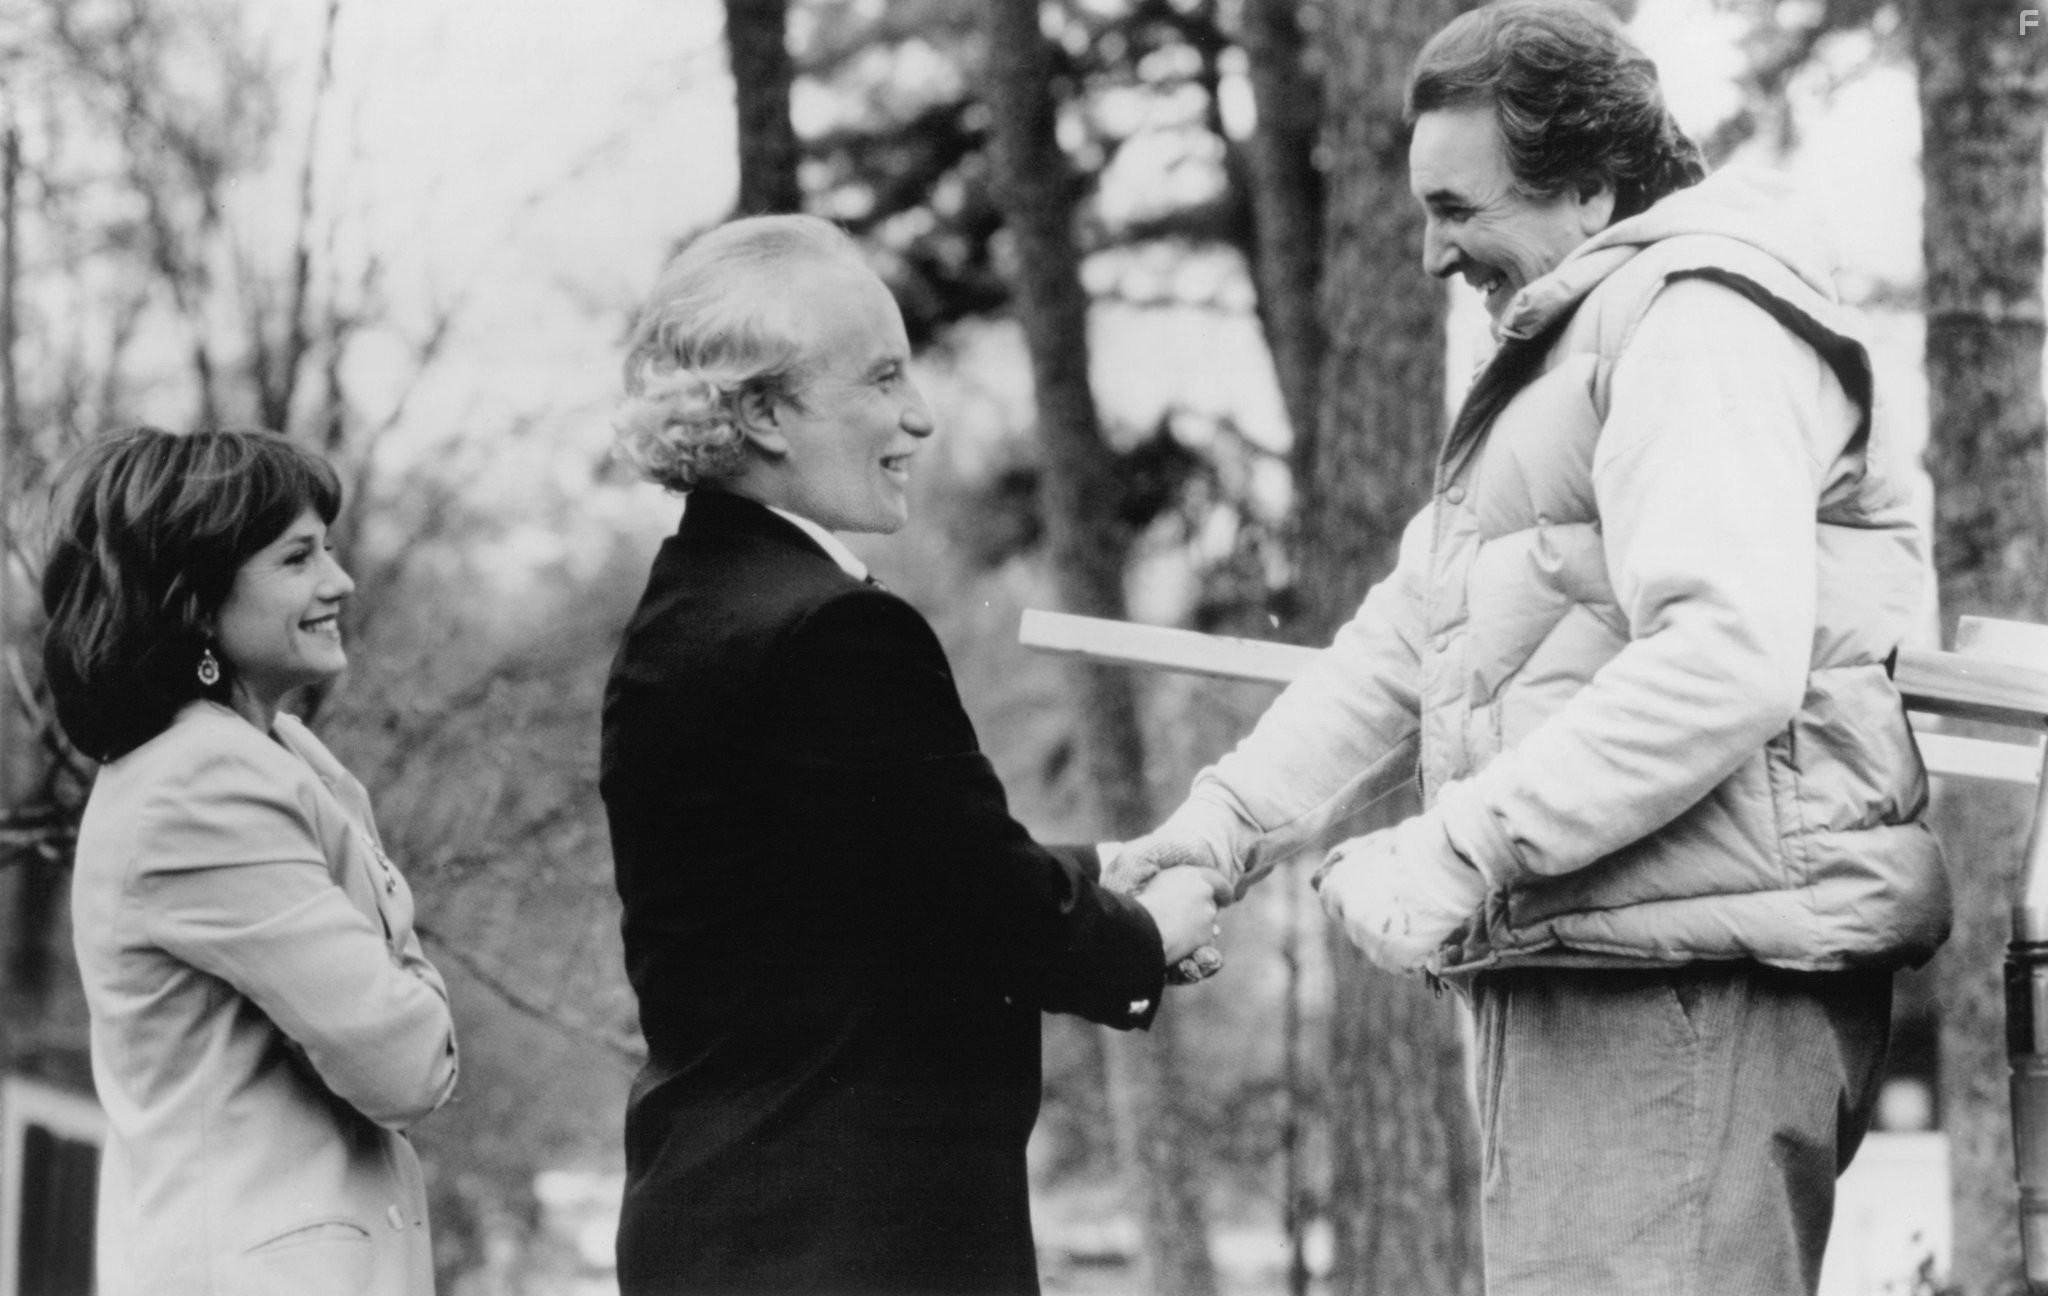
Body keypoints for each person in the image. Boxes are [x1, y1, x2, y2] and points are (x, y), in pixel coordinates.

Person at [1114, 3, 1948, 1292]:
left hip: (1686, 992)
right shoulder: (1582, 345)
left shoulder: (1697, 324)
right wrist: (1210, 836)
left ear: (1591, 184)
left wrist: (1454, 846)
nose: (1435, 254)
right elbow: (1402, 634)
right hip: (1609, 972)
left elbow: (1724, 653)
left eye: (1458, 208)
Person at [600, 213, 1229, 1296]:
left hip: (716, 1230)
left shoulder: (685, 610)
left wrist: (1093, 867)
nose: (919, 417)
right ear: (761, 412)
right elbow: (984, 909)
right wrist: (1145, 933)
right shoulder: (836, 631)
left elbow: (872, 881)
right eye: (882, 379)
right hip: (850, 1246)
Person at [44, 427, 458, 1296]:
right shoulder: (205, 783)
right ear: (194, 602)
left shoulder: (267, 759)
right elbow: (407, 1065)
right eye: (298, 558)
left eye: (331, 550)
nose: (339, 582)